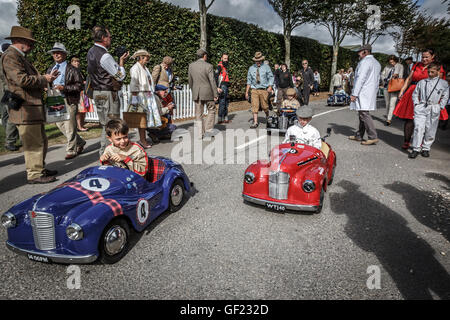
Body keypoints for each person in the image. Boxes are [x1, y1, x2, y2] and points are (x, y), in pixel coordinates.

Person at [1, 26, 59, 184]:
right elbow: (22, 80)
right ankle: (34, 174)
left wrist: (45, 80)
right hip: (25, 108)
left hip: (31, 107)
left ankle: (39, 168)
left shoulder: (18, 56)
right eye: (30, 43)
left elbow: (25, 79)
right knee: (33, 142)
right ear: (19, 41)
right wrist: (44, 79)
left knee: (41, 140)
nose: (32, 47)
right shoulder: (11, 56)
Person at [87, 26, 129, 156]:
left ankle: (106, 153)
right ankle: (107, 154)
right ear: (104, 38)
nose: (111, 39)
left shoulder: (90, 52)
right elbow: (120, 76)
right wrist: (121, 63)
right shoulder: (104, 55)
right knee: (112, 125)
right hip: (107, 93)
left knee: (106, 124)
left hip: (98, 93)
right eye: (109, 37)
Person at [394, 49, 447, 150]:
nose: (424, 59)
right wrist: (402, 90)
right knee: (410, 119)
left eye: (427, 57)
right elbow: (409, 78)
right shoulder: (417, 65)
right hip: (413, 92)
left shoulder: (437, 67)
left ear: (433, 56)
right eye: (423, 57)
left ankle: (423, 144)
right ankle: (407, 141)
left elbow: (440, 84)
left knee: (427, 121)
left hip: (428, 95)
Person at [46, 42, 86, 160]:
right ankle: (80, 142)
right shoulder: (51, 68)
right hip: (55, 99)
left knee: (70, 125)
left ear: (64, 54)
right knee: (60, 124)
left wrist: (64, 88)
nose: (56, 55)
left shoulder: (72, 69)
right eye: (54, 53)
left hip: (69, 99)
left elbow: (79, 86)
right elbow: (48, 82)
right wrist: (46, 86)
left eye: (58, 52)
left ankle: (71, 150)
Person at [408, 62, 449, 159]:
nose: (430, 74)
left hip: (434, 107)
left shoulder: (443, 84)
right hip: (421, 107)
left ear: (438, 72)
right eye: (429, 72)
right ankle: (416, 148)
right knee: (419, 127)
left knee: (430, 128)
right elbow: (415, 94)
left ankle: (426, 148)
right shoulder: (422, 82)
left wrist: (441, 106)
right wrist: (416, 104)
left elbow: (445, 95)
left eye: (432, 72)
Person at [348, 44, 381, 146]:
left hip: (363, 91)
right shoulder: (376, 62)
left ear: (365, 52)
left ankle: (373, 136)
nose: (358, 53)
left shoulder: (365, 62)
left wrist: (354, 93)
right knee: (362, 113)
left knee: (364, 114)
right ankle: (359, 135)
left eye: (360, 51)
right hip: (370, 91)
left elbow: (360, 78)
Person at [129, 49, 161, 149]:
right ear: (141, 57)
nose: (148, 58)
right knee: (141, 118)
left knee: (146, 118)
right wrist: (134, 97)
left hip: (147, 95)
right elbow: (134, 83)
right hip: (140, 96)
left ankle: (143, 139)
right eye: (146, 57)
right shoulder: (135, 68)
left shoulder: (145, 68)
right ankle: (142, 140)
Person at [188, 48, 219, 138]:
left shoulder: (191, 66)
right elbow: (212, 81)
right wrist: (215, 94)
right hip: (208, 92)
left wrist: (193, 90)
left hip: (197, 92)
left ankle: (200, 134)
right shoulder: (209, 66)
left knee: (198, 113)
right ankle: (208, 130)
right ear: (204, 56)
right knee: (212, 109)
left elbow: (190, 80)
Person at [1, 42, 21, 151]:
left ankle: (18, 139)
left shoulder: (5, 58)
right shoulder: (8, 59)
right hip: (9, 92)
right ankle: (10, 141)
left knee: (8, 116)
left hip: (6, 92)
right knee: (12, 116)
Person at [245, 52, 274, 129]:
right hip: (254, 89)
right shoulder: (251, 68)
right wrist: (247, 92)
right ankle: (255, 122)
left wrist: (270, 86)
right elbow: (249, 80)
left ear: (262, 60)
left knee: (265, 106)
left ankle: (268, 116)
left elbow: (271, 77)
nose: (258, 62)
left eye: (259, 61)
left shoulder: (266, 67)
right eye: (256, 61)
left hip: (264, 89)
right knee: (254, 106)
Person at [381, 55, 404, 126]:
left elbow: (401, 76)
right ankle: (388, 116)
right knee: (387, 104)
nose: (392, 63)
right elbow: (382, 75)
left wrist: (397, 76)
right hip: (386, 86)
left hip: (395, 87)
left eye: (393, 62)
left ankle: (389, 119)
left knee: (392, 104)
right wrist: (384, 79)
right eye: (390, 62)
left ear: (395, 61)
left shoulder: (400, 66)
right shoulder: (387, 67)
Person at [70, 56, 89, 132]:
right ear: (71, 63)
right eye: (75, 61)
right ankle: (79, 126)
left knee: (84, 110)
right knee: (78, 111)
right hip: (76, 93)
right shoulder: (71, 71)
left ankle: (82, 125)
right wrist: (82, 83)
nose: (77, 63)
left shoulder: (80, 71)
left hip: (83, 92)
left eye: (78, 61)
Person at [216, 53, 231, 124]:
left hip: (226, 86)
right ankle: (220, 118)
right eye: (225, 58)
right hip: (222, 86)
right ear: (221, 58)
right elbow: (216, 76)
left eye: (227, 58)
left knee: (226, 102)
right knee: (222, 102)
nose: (226, 60)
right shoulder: (220, 66)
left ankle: (225, 118)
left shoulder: (225, 66)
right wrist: (217, 87)